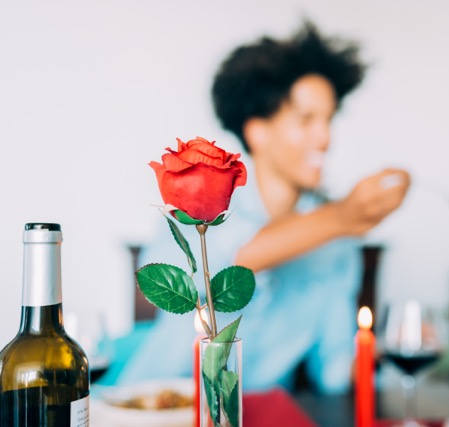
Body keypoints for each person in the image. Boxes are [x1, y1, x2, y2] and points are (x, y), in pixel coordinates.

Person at [118, 22, 410, 394]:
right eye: (306, 120)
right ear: (257, 131)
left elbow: (334, 371)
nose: (325, 137)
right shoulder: (201, 208)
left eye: (329, 118)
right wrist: (342, 217)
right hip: (155, 406)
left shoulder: (338, 241)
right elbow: (211, 270)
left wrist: (392, 349)